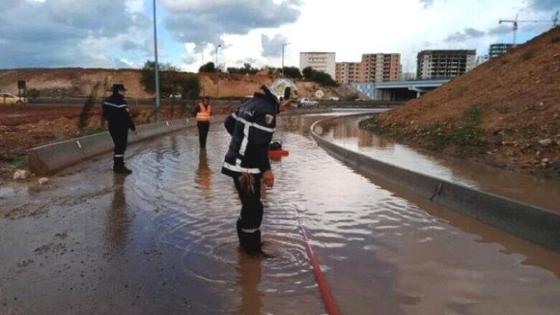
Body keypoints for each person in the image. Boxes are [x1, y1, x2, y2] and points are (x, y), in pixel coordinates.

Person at [222, 79, 297, 256]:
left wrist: (241, 141)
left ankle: (245, 244)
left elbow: (229, 123)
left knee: (249, 206)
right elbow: (258, 144)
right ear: (279, 96)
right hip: (246, 168)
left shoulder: (250, 103)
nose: (289, 107)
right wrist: (267, 171)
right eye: (289, 102)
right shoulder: (267, 111)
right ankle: (252, 253)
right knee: (254, 209)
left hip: (237, 163)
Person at [102, 84, 136, 174]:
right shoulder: (121, 101)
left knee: (118, 145)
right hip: (121, 127)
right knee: (121, 146)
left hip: (112, 126)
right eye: (123, 90)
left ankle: (117, 164)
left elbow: (105, 114)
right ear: (119, 91)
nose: (124, 92)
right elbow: (126, 116)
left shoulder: (106, 101)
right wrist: (132, 126)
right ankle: (119, 166)